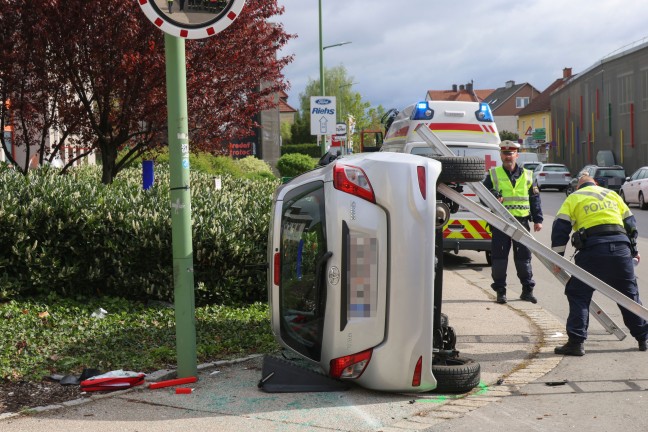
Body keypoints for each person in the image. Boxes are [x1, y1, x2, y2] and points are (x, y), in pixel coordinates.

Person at [551, 174, 648, 355]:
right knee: (628, 296)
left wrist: (557, 258)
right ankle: (643, 338)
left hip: (592, 251)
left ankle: (576, 342)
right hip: (621, 250)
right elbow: (630, 224)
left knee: (579, 293)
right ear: (595, 183)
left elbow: (560, 227)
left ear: (578, 186)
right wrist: (634, 251)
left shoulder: (574, 197)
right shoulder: (612, 195)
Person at [483, 140, 543, 304]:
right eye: (505, 154)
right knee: (499, 259)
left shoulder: (528, 175)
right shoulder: (493, 174)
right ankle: (501, 292)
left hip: (522, 223)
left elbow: (534, 199)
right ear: (501, 155)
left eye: (510, 154)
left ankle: (527, 290)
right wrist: (493, 195)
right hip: (501, 223)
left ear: (516, 155)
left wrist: (538, 220)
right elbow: (483, 196)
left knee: (524, 258)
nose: (507, 157)